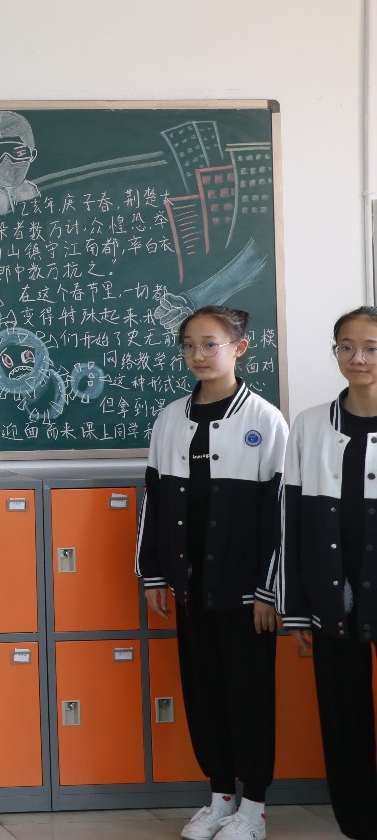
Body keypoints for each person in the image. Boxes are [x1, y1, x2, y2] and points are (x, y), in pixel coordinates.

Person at [136, 304, 287, 840]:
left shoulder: (264, 420)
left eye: (210, 344)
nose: (198, 355)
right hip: (190, 584)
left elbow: (280, 514)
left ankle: (254, 808)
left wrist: (269, 589)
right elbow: (154, 502)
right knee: (203, 691)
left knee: (248, 694)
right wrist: (154, 574)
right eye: (189, 345)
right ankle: (221, 796)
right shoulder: (171, 418)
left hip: (246, 591)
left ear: (239, 348)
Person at [281, 306, 377, 840]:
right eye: (346, 346)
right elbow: (293, 520)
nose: (357, 357)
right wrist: (297, 608)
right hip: (333, 594)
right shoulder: (311, 424)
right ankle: (359, 822)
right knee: (343, 713)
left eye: (371, 348)